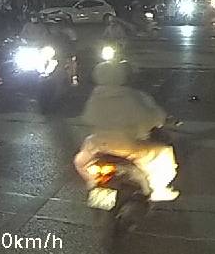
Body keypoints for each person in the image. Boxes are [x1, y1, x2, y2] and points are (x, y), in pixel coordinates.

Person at [73, 60, 179, 202]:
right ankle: (159, 190)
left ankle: (93, 182)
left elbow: (87, 118)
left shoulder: (95, 96)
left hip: (98, 144)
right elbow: (148, 118)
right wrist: (160, 120)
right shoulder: (131, 97)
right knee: (164, 153)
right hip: (126, 145)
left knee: (80, 162)